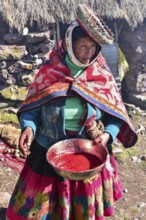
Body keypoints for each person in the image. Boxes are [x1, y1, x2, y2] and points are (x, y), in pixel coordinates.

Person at [6, 3, 137, 220]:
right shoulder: (49, 73)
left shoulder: (101, 76)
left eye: (93, 47)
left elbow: (116, 116)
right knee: (39, 210)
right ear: (68, 45)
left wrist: (107, 135)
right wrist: (28, 127)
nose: (88, 53)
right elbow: (32, 108)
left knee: (82, 211)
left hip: (88, 153)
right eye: (83, 46)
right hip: (48, 149)